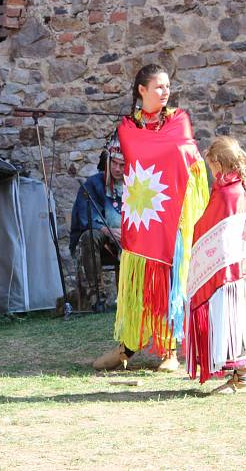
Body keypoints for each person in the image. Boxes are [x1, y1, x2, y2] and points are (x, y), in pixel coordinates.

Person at [93, 63, 209, 372]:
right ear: (142, 90)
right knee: (140, 277)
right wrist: (159, 150)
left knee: (172, 275)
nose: (165, 91)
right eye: (158, 86)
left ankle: (168, 348)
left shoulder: (179, 119)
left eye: (167, 86)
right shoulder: (128, 127)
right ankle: (127, 346)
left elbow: (180, 151)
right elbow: (142, 153)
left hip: (174, 212)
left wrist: (158, 150)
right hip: (144, 211)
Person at [185, 136, 246, 393]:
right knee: (237, 320)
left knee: (231, 320)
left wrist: (194, 232)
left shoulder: (227, 192)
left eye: (211, 167)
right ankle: (240, 377)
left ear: (218, 164)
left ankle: (242, 378)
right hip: (238, 269)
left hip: (227, 270)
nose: (211, 173)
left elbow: (210, 226)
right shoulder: (241, 187)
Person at [69, 135, 124, 312]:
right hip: (104, 242)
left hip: (129, 238)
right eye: (113, 163)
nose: (117, 168)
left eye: (122, 165)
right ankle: (97, 298)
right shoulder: (93, 184)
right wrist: (108, 231)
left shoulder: (137, 184)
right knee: (89, 236)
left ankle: (127, 297)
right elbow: (87, 216)